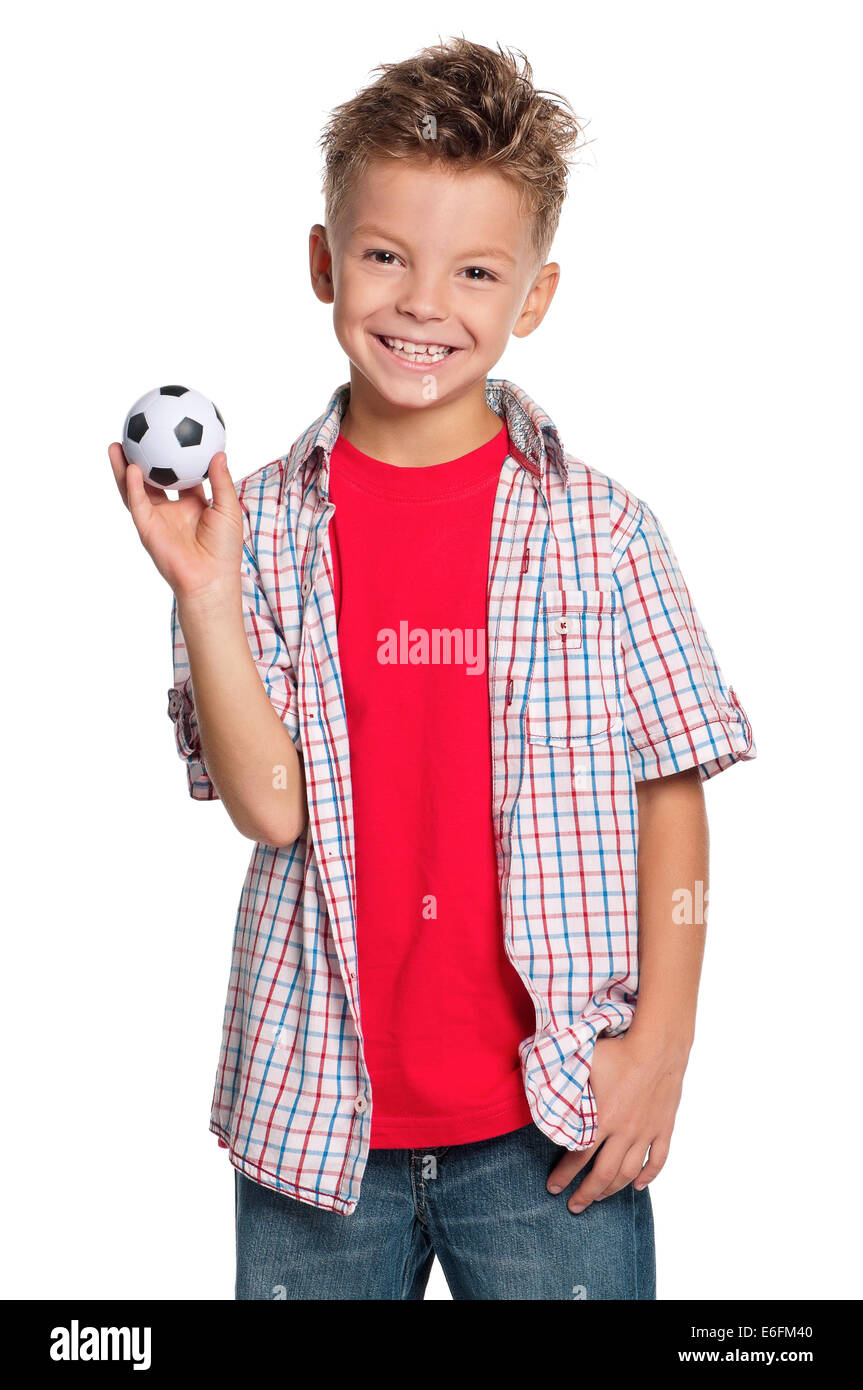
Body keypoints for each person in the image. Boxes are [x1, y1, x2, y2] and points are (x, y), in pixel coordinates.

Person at [109, 37, 756, 1301]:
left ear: (533, 296)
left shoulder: (600, 530)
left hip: (553, 1121)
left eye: (473, 271)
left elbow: (669, 791)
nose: (422, 303)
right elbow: (270, 807)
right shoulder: (264, 531)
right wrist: (205, 596)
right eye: (384, 255)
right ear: (323, 262)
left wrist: (660, 1047)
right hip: (317, 1128)